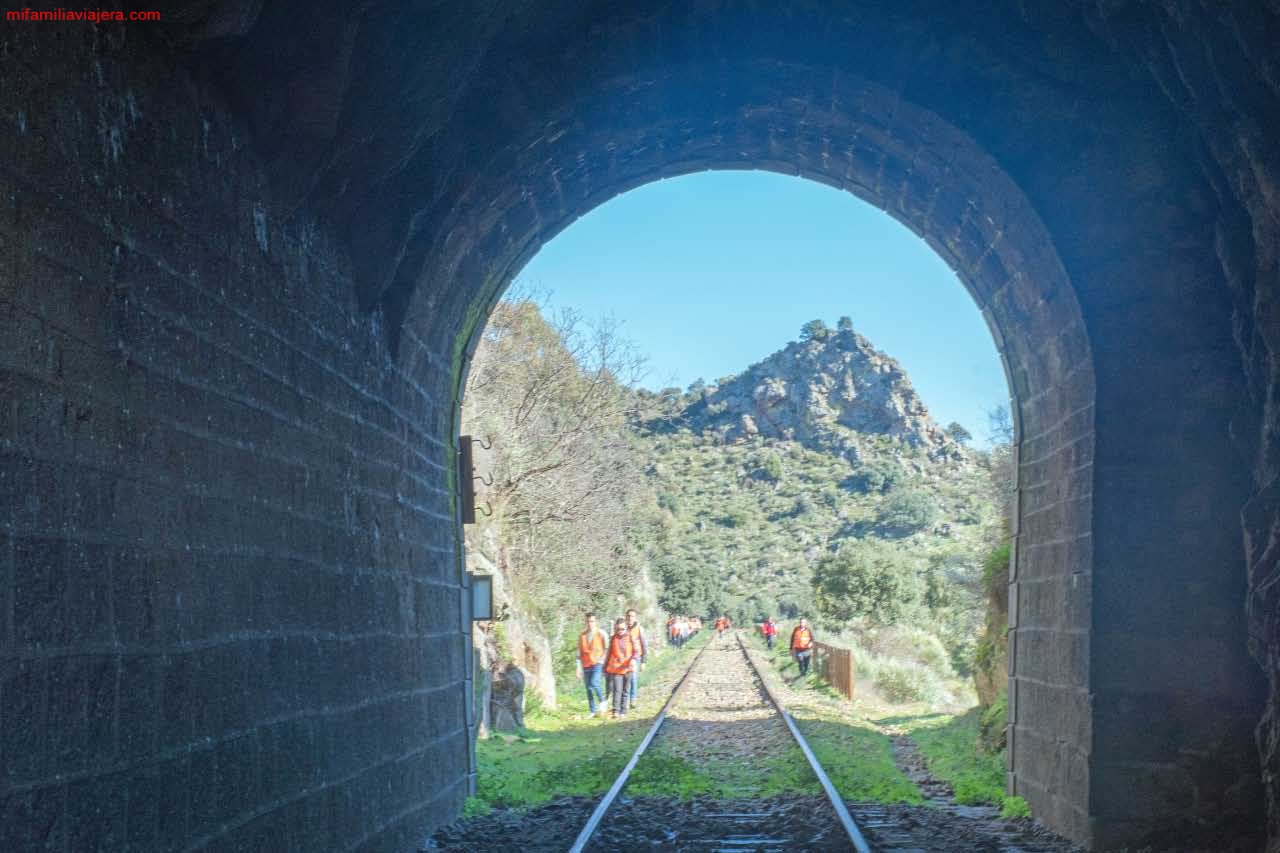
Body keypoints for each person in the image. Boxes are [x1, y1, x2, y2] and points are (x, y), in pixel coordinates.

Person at [604, 618, 636, 718]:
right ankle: (616, 710)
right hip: (617, 668)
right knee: (617, 690)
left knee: (625, 690)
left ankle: (623, 711)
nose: (620, 631)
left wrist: (633, 659)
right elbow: (609, 653)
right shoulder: (613, 638)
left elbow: (636, 650)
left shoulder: (631, 637)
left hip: (628, 668)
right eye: (618, 629)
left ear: (626, 628)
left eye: (622, 629)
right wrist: (605, 667)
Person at [578, 613, 608, 717]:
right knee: (588, 688)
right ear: (585, 622)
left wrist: (602, 660)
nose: (590, 623)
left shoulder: (601, 633)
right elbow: (579, 652)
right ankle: (593, 710)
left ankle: (602, 701)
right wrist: (578, 667)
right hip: (586, 663)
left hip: (597, 662)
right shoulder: (582, 635)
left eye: (592, 621)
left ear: (596, 622)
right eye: (588, 621)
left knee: (594, 683)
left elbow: (606, 648)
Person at [625, 608, 648, 709]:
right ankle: (625, 700)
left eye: (632, 616)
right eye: (628, 616)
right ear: (626, 616)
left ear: (635, 617)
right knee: (625, 679)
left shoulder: (639, 628)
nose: (630, 618)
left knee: (633, 678)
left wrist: (644, 661)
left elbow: (644, 645)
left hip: (636, 657)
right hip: (624, 658)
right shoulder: (623, 627)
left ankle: (633, 699)